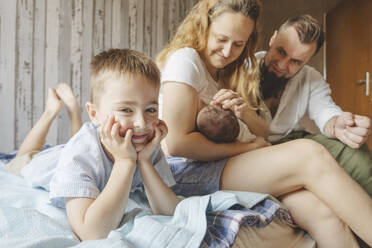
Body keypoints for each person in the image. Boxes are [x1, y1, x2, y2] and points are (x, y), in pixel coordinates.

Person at [157, 0, 371, 247]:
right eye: (221, 39)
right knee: (310, 154)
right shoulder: (186, 60)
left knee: (323, 213)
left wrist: (246, 116)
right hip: (185, 172)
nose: (227, 51)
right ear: (203, 26)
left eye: (238, 44)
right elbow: (175, 144)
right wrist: (249, 148)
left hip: (221, 163)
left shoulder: (226, 72)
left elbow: (281, 125)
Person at [5, 49, 180, 241]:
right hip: (46, 163)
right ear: (94, 113)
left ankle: (74, 111)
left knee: (81, 140)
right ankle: (51, 111)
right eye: (126, 110)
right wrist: (125, 161)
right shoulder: (78, 154)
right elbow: (91, 233)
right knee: (25, 157)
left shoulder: (147, 145)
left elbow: (170, 212)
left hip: (84, 143)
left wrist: (144, 161)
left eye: (151, 109)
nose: (141, 123)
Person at [252, 14, 372, 199]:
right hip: (250, 149)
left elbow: (325, 110)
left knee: (356, 153)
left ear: (307, 61)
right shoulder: (242, 68)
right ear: (273, 38)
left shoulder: (310, 77)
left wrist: (338, 125)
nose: (282, 65)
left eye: (295, 61)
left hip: (289, 143)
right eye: (281, 52)